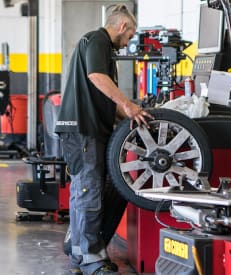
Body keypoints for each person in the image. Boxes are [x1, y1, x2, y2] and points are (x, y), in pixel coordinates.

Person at [55, 4, 153, 275]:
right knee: (89, 192)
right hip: (84, 129)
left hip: (83, 129)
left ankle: (79, 254)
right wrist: (129, 105)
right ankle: (91, 260)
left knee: (82, 191)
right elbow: (96, 77)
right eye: (130, 35)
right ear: (123, 27)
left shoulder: (98, 44)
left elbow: (102, 95)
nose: (129, 41)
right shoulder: (98, 39)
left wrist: (128, 116)